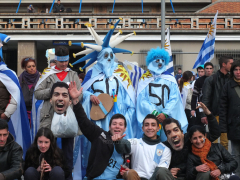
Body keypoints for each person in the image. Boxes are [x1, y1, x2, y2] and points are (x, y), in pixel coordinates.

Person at [33, 46, 82, 180]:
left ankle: (67, 177)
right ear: (56, 60)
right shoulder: (48, 73)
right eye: (61, 62)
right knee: (47, 148)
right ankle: (48, 175)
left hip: (67, 117)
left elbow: (79, 95)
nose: (64, 64)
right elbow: (37, 93)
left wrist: (70, 95)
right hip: (49, 116)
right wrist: (53, 91)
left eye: (66, 61)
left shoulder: (72, 74)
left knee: (68, 151)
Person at [68, 81, 128, 179]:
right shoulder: (100, 135)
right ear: (109, 127)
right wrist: (75, 100)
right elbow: (84, 121)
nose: (117, 126)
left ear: (125, 128)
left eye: (121, 124)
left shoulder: (129, 145)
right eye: (114, 124)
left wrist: (127, 171)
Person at [136, 47, 188, 141]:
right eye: (157, 60)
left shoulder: (170, 79)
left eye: (163, 60)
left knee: (168, 143)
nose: (160, 63)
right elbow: (141, 99)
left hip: (167, 119)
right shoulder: (144, 80)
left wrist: (165, 113)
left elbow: (174, 98)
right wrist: (154, 113)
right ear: (151, 61)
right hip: (150, 119)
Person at [162, 102, 220, 180]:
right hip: (176, 178)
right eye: (169, 132)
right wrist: (168, 171)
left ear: (182, 133)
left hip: (194, 175)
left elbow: (215, 134)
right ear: (167, 138)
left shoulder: (191, 139)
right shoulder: (164, 147)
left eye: (176, 130)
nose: (173, 134)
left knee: (205, 172)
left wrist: (209, 115)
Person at [0, 33, 31, 157]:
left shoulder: (8, 74)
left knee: (6, 150)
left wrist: (5, 114)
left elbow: (15, 96)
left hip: (2, 118)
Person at [114, 114, 172, 180]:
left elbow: (161, 172)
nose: (150, 128)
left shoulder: (165, 149)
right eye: (146, 125)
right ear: (142, 128)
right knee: (130, 173)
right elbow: (122, 147)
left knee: (161, 171)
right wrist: (118, 140)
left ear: (158, 128)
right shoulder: (136, 142)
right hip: (137, 178)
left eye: (153, 125)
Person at [202, 56, 233, 151]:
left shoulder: (231, 79)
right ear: (224, 64)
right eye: (231, 63)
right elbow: (206, 98)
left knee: (225, 141)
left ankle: (225, 162)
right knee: (213, 140)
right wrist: (205, 114)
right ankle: (213, 161)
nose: (233, 65)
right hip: (214, 114)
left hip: (227, 115)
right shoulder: (211, 79)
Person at [220, 60, 240, 177]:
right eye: (236, 70)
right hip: (234, 126)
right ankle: (237, 176)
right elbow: (223, 108)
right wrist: (223, 127)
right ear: (233, 72)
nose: (238, 72)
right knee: (236, 154)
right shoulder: (228, 85)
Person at [191, 62, 214, 127]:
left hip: (214, 108)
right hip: (201, 107)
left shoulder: (216, 79)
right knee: (201, 128)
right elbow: (194, 95)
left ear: (213, 69)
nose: (209, 70)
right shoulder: (198, 81)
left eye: (210, 68)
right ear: (205, 69)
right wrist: (193, 109)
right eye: (207, 68)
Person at [19, 57, 40, 122]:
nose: (32, 68)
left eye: (33, 66)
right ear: (25, 68)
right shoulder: (20, 79)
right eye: (29, 66)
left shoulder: (41, 78)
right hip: (23, 112)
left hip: (37, 112)